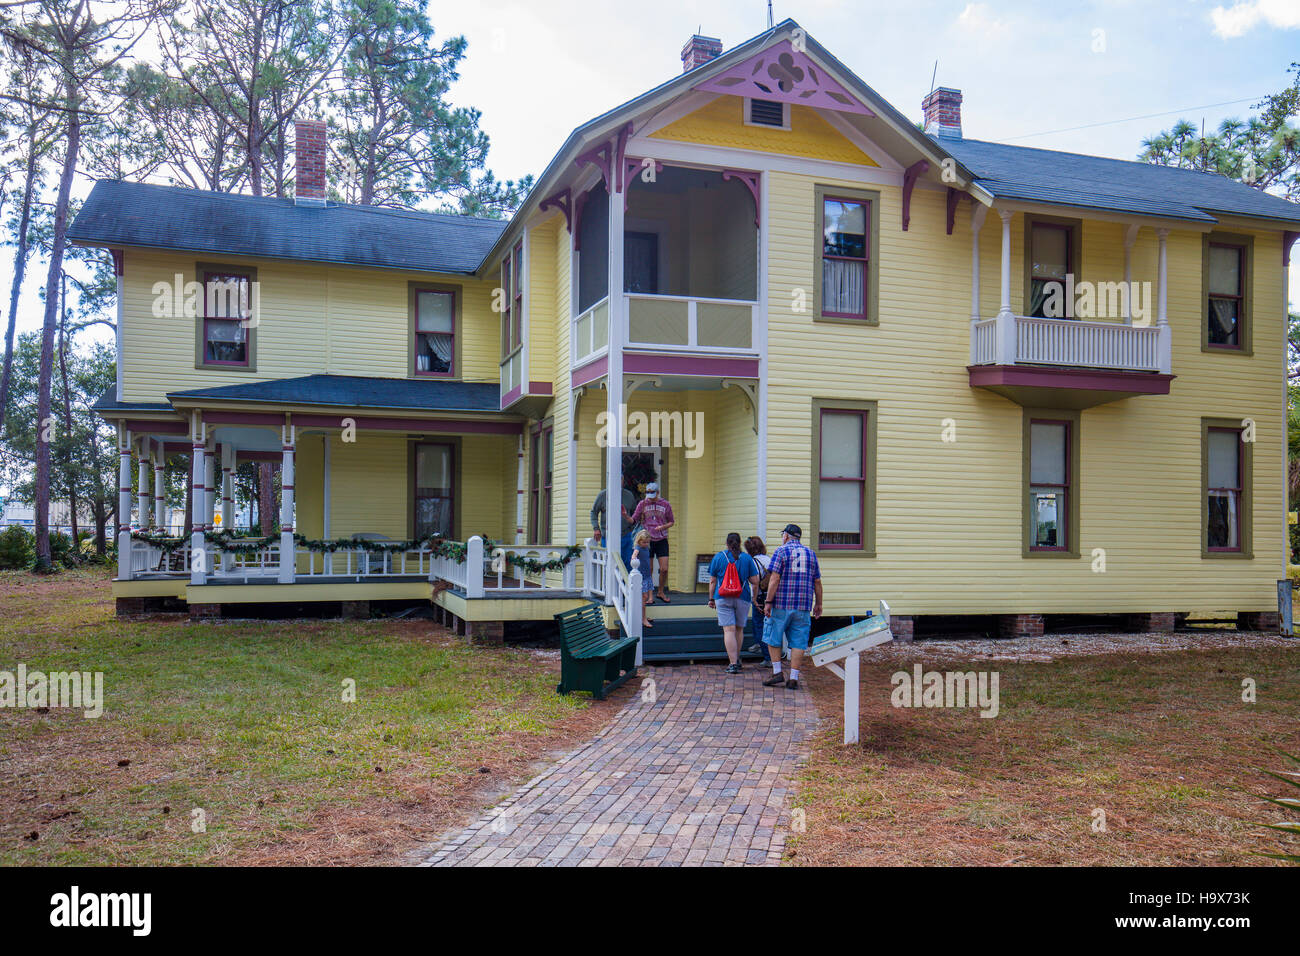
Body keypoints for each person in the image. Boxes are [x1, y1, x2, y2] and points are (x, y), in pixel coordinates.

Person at [762, 523, 822, 691]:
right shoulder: (811, 554)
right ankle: (794, 677)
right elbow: (817, 581)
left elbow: (774, 579)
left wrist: (768, 602)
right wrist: (819, 603)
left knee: (773, 636)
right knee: (799, 641)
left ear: (786, 536)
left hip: (781, 603)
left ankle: (777, 672)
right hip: (803, 604)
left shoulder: (780, 551)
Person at [707, 532, 760, 674]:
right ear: (740, 542)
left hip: (722, 597)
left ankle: (733, 663)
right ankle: (737, 659)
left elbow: (712, 581)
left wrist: (711, 598)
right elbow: (755, 582)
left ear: (726, 543)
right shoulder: (747, 559)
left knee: (728, 630)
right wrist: (754, 598)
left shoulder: (718, 557)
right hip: (743, 597)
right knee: (738, 629)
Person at [626, 481, 674, 602]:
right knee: (649, 569)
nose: (651, 499)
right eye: (649, 496)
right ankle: (648, 596)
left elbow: (671, 521)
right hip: (647, 540)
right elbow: (634, 520)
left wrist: (662, 527)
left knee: (664, 568)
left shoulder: (665, 504)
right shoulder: (642, 504)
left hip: (661, 538)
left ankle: (661, 592)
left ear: (658, 493)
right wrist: (625, 516)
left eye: (653, 495)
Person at [590, 483, 637, 569]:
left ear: (623, 481)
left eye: (620, 479)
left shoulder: (629, 495)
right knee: (609, 564)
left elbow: (635, 514)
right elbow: (594, 512)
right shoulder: (603, 495)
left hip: (626, 536)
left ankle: (626, 583)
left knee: (628, 563)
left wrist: (633, 530)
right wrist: (596, 528)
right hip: (608, 536)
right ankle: (608, 582)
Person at [744, 536, 771, 657]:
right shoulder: (768, 559)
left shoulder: (752, 562)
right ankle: (760, 645)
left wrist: (753, 599)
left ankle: (766, 655)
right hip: (770, 595)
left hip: (759, 596)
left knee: (758, 624)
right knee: (767, 625)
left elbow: (755, 583)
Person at [630, 529, 654, 628]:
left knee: (645, 597)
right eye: (644, 542)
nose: (645, 544)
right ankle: (643, 619)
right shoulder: (638, 547)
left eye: (647, 542)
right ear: (639, 541)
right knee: (643, 598)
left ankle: (643, 616)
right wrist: (634, 558)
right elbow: (634, 554)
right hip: (642, 577)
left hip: (647, 576)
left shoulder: (646, 548)